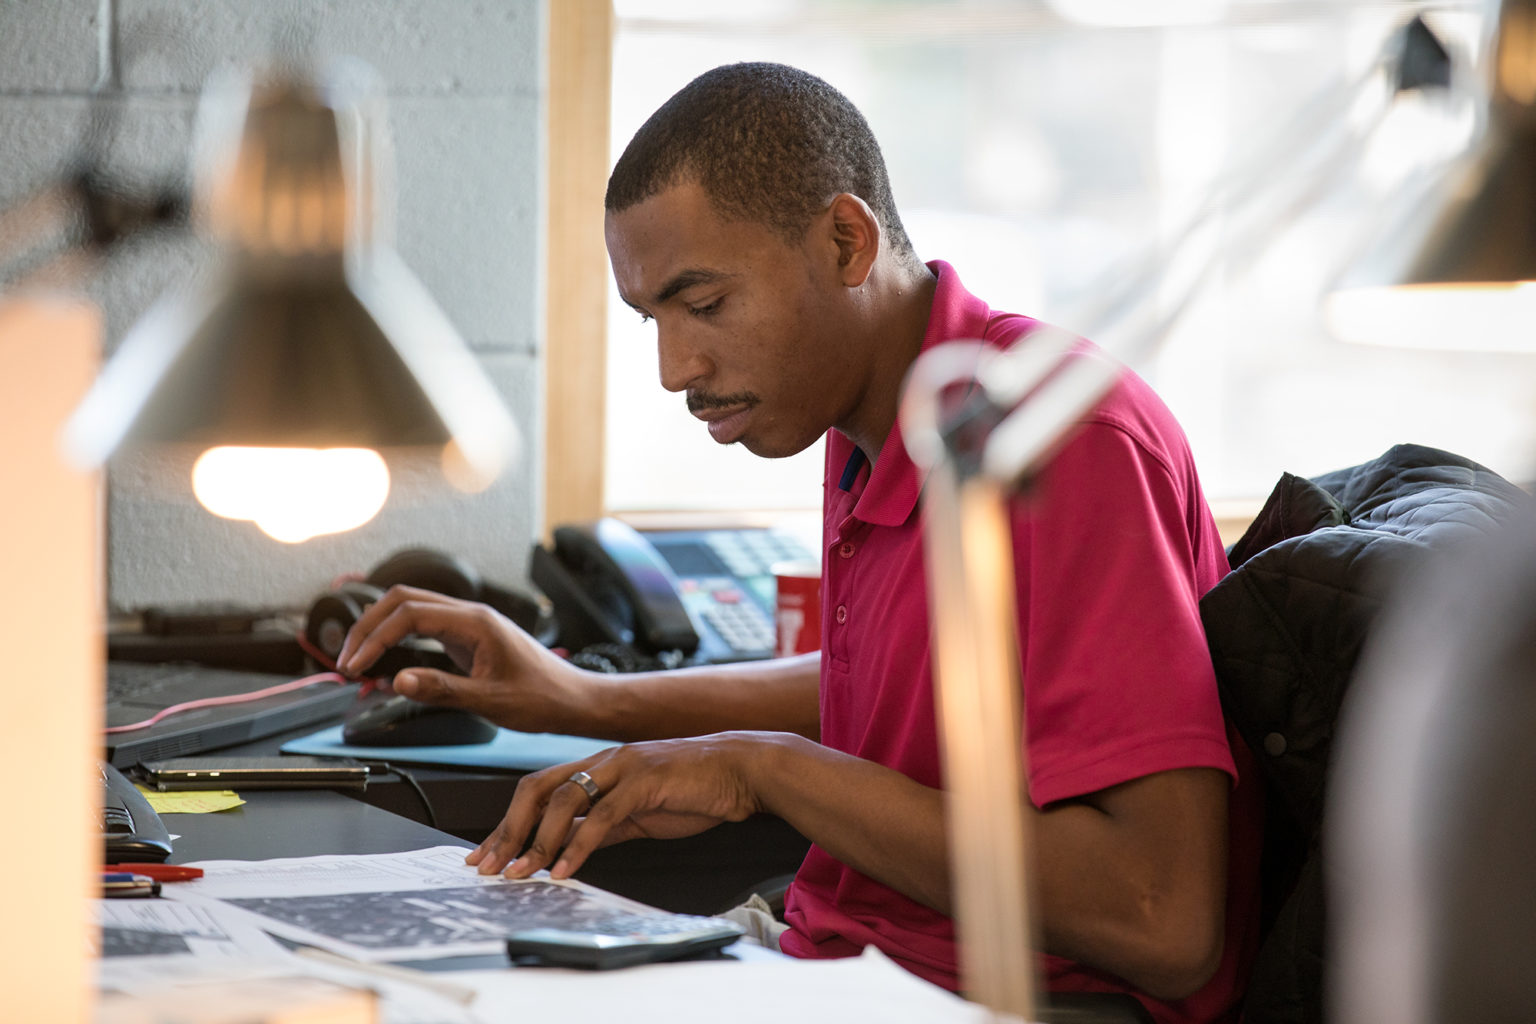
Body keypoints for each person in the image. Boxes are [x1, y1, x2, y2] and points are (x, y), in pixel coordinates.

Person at [337, 62, 1260, 1024]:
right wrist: (585, 699)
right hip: (834, 956)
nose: (674, 369)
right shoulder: (869, 423)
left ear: (846, 242)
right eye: (653, 318)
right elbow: (896, 689)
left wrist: (762, 770)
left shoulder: (1055, 443)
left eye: (705, 304)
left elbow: (1162, 918)